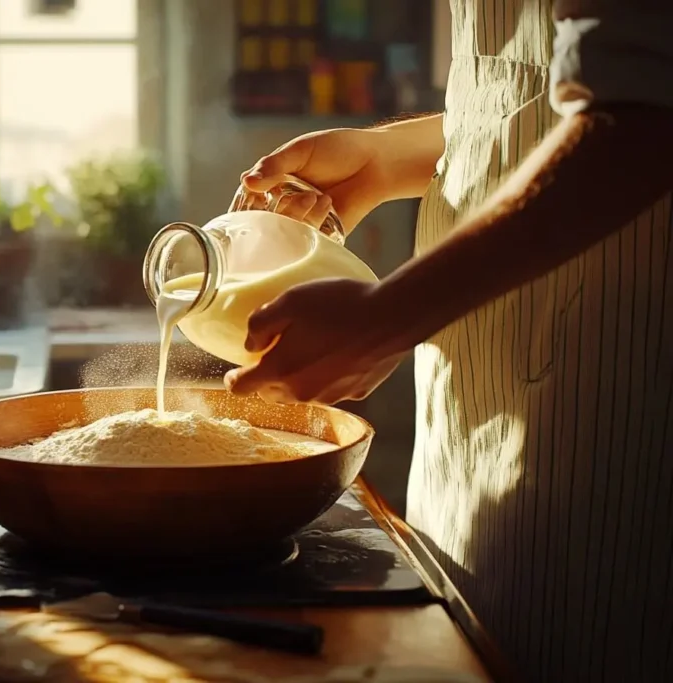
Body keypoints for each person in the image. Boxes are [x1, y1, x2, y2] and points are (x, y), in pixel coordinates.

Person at [225, 2, 673, 682]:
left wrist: (390, 314)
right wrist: (380, 157)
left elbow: (645, 110)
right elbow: (525, 101)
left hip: (603, 430)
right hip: (468, 434)